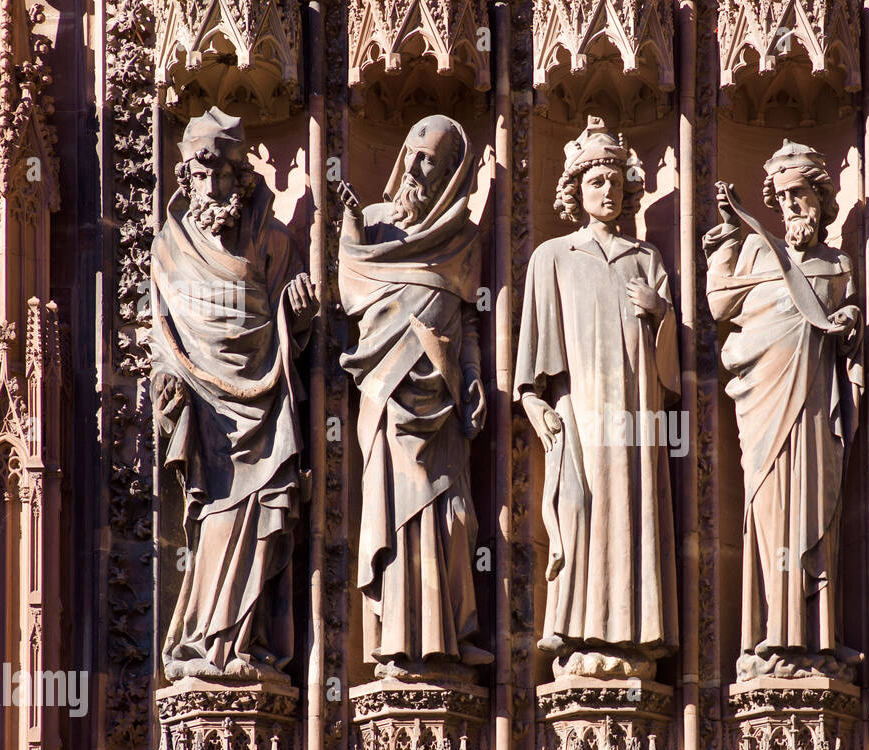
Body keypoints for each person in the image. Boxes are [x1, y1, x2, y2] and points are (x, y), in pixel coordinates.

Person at [150, 107, 317, 683]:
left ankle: (251, 641)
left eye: (224, 174)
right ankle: (207, 641)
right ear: (187, 180)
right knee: (216, 523)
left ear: (242, 178)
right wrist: (166, 380)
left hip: (265, 408)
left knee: (266, 520)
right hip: (207, 414)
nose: (214, 186)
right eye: (202, 175)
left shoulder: (273, 242)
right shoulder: (169, 249)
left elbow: (289, 325)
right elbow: (164, 335)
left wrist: (296, 314)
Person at [514, 116, 680, 679]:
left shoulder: (646, 260)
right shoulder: (553, 257)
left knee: (631, 511)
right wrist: (532, 400)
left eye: (615, 181)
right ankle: (576, 632)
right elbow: (533, 349)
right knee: (580, 511)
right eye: (595, 182)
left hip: (633, 419)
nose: (607, 192)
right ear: (577, 190)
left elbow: (670, 370)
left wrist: (661, 314)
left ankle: (631, 637)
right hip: (577, 411)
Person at [336, 115, 491, 679]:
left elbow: (467, 317)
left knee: (453, 517)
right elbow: (351, 290)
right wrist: (351, 227)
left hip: (442, 390)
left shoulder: (461, 238)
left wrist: (471, 375)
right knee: (394, 511)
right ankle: (395, 639)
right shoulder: (374, 225)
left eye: (434, 160)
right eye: (414, 153)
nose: (419, 167)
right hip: (387, 393)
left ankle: (452, 631)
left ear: (452, 173)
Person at [704, 140, 863, 680]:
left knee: (817, 511)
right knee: (770, 512)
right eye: (784, 196)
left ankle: (817, 636)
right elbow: (720, 305)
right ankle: (772, 630)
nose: (793, 205)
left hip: (816, 404)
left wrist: (850, 322)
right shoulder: (756, 251)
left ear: (821, 197)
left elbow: (846, 330)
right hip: (763, 402)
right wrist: (727, 236)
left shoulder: (838, 263)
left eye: (802, 194)